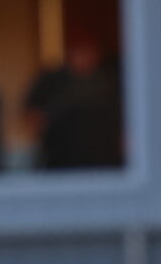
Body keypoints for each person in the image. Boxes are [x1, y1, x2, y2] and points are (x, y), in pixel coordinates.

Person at [22, 30, 124, 172]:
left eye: (89, 51)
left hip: (103, 163)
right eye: (80, 51)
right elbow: (33, 117)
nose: (85, 57)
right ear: (70, 53)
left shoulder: (109, 83)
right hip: (60, 161)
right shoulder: (52, 81)